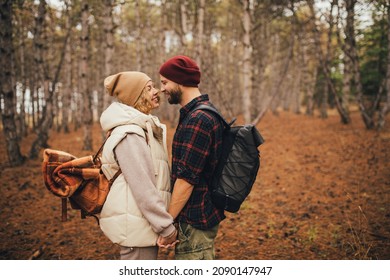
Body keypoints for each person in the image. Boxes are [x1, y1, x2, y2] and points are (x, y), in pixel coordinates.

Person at [98, 71, 177, 260]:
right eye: (148, 88)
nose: (156, 91)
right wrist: (165, 226)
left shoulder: (140, 128)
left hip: (140, 222)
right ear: (136, 96)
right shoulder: (130, 134)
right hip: (136, 224)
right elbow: (143, 186)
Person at [157, 55, 225, 260]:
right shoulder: (197, 113)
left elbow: (186, 181)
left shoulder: (198, 119)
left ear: (180, 81)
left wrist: (166, 224)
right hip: (197, 216)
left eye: (165, 82)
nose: (162, 89)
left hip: (195, 219)